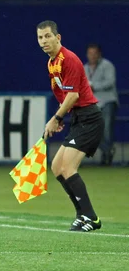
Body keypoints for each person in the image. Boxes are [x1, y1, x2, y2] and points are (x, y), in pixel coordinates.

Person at [37, 20, 105, 232]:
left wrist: (56, 118)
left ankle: (91, 217)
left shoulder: (69, 59)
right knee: (57, 167)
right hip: (78, 118)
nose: (43, 41)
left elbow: (74, 95)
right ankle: (81, 214)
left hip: (90, 119)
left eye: (48, 36)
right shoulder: (51, 63)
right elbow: (65, 97)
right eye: (40, 37)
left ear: (58, 38)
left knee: (68, 167)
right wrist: (62, 117)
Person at [84, 44, 119, 165]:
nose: (92, 56)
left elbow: (110, 81)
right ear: (87, 54)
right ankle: (107, 150)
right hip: (93, 104)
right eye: (90, 53)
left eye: (94, 53)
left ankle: (106, 156)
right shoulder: (84, 68)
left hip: (108, 101)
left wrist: (94, 86)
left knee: (107, 129)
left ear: (99, 54)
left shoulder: (107, 65)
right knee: (93, 131)